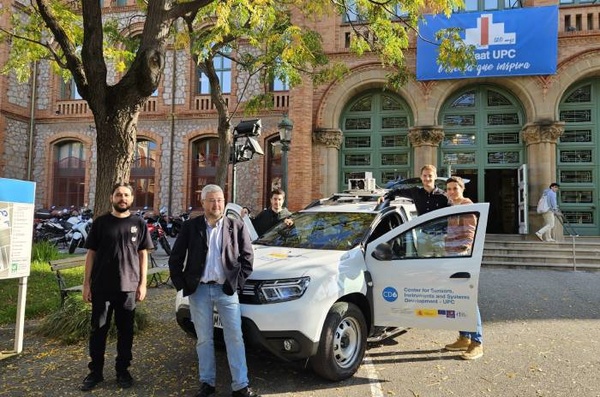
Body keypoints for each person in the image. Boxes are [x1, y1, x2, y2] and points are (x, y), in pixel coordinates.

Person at [169, 184, 259, 397]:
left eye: (219, 199)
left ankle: (240, 385)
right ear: (203, 203)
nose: (216, 204)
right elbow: (175, 258)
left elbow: (248, 259)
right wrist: (182, 285)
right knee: (204, 339)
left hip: (226, 291)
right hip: (198, 291)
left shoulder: (236, 226)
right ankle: (207, 384)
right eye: (211, 200)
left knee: (235, 337)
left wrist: (235, 284)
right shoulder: (191, 227)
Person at [80, 182, 154, 391]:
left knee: (125, 332)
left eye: (126, 195)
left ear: (131, 199)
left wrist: (143, 284)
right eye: (118, 195)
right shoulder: (100, 223)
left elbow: (143, 255)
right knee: (98, 331)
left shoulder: (139, 223)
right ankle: (95, 373)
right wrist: (86, 284)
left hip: (128, 287)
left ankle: (123, 371)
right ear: (112, 197)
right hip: (101, 287)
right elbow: (91, 254)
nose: (122, 198)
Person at [443, 176, 483, 360]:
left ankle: (477, 342)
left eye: (454, 188)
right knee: (458, 299)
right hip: (451, 255)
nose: (451, 192)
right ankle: (464, 337)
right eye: (449, 189)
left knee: (467, 299)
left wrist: (464, 257)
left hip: (461, 257)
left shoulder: (466, 205)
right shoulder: (451, 206)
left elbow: (469, 234)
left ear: (462, 189)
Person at [384, 165, 451, 256]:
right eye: (424, 175)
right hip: (423, 236)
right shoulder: (415, 192)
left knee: (443, 266)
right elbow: (396, 191)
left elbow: (453, 216)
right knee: (422, 266)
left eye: (430, 175)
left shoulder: (444, 196)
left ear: (435, 176)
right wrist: (384, 197)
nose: (427, 178)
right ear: (421, 177)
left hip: (441, 237)